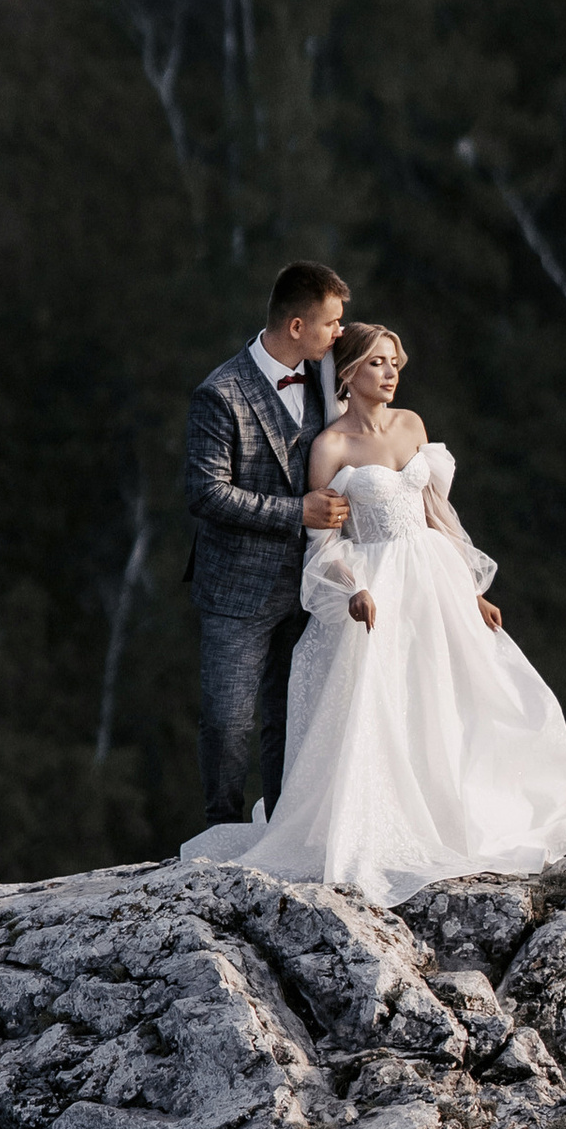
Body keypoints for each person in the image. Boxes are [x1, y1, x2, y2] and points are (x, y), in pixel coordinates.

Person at [180, 318, 566, 903]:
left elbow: (438, 511)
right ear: (348, 372)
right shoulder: (331, 446)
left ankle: (460, 808)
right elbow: (324, 539)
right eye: (377, 362)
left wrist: (473, 588)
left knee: (457, 696)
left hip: (434, 579)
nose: (391, 373)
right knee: (386, 703)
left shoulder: (413, 425)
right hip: (378, 586)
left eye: (396, 362)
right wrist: (350, 589)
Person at [182, 259, 355, 832]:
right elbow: (205, 494)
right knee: (228, 721)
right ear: (298, 326)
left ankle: (285, 832)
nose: (339, 334)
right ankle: (221, 833)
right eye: (331, 323)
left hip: (308, 581)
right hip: (235, 586)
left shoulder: (328, 380)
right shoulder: (220, 392)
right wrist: (295, 512)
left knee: (292, 715)